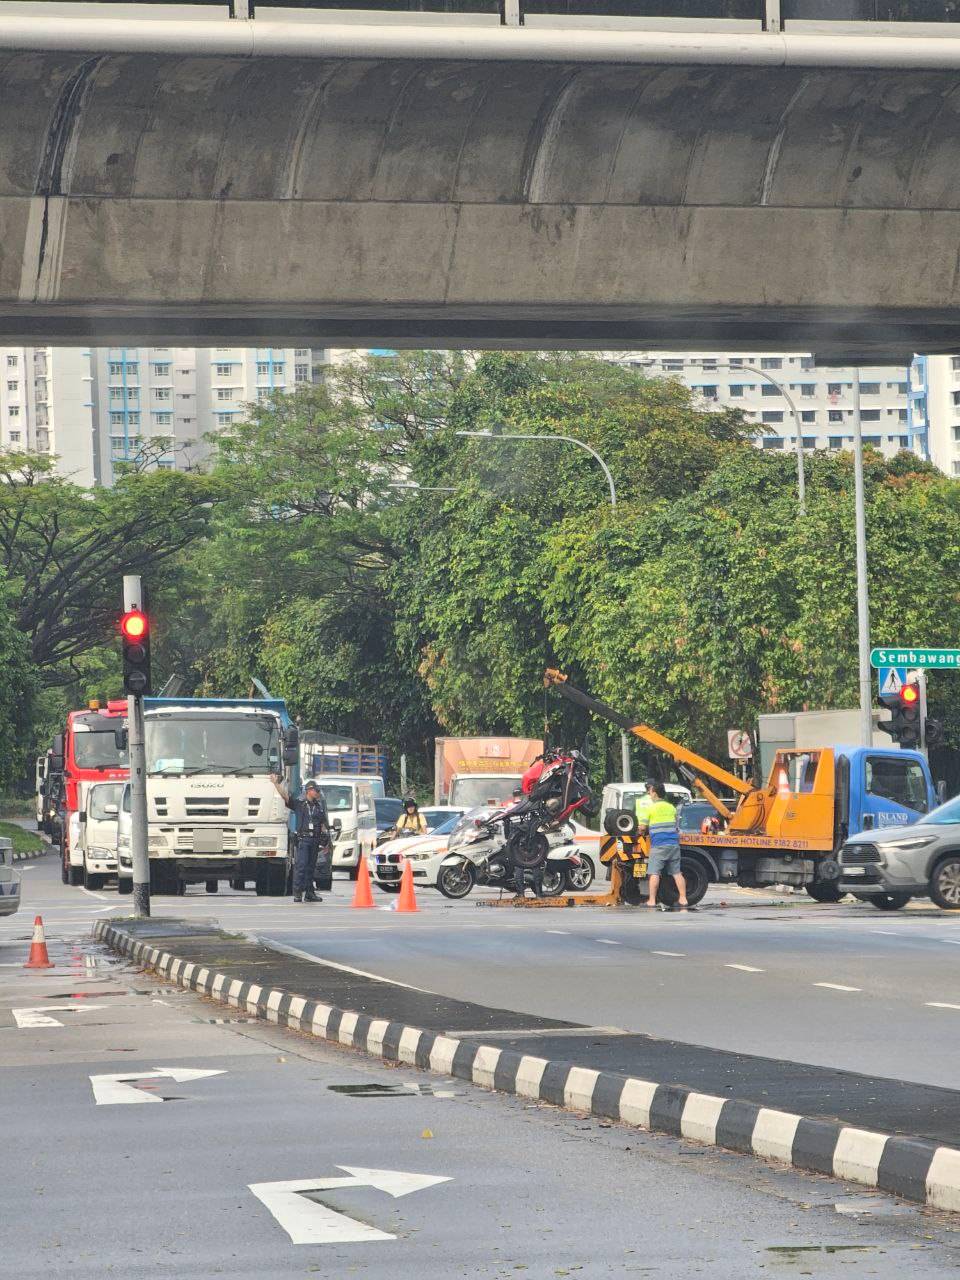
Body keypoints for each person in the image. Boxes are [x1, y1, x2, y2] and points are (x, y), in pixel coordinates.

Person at [271, 775, 329, 903]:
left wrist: (325, 838)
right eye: (316, 790)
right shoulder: (300, 804)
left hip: (315, 840)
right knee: (301, 867)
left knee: (311, 868)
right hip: (304, 839)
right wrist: (276, 784)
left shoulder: (319, 807)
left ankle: (309, 893)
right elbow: (285, 797)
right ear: (309, 790)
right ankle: (297, 893)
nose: (318, 793)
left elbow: (323, 824)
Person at [637, 780, 691, 912]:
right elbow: (676, 825)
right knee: (677, 873)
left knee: (654, 873)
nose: (649, 794)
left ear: (654, 793)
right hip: (673, 844)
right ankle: (683, 899)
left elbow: (643, 828)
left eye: (650, 791)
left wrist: (640, 830)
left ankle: (652, 900)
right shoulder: (671, 807)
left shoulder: (650, 808)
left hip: (659, 845)